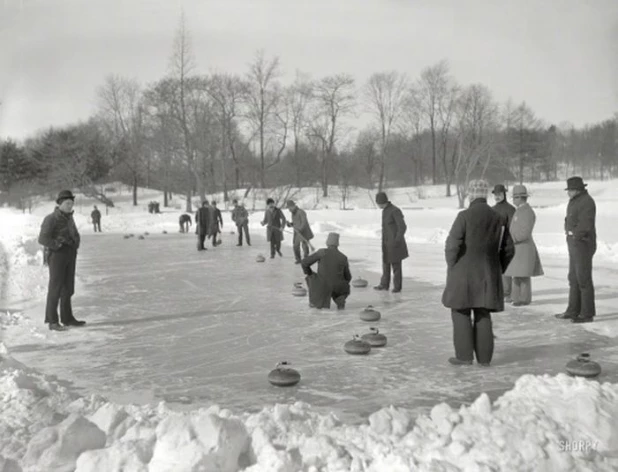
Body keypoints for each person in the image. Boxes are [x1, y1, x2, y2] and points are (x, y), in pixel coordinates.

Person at [442, 179, 514, 366]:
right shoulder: (498, 217)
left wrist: (452, 265)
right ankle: (484, 359)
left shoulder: (464, 216)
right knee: (483, 313)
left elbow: (452, 245)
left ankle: (464, 357)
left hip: (463, 274)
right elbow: (509, 249)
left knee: (461, 312)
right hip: (488, 274)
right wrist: (498, 268)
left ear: (471, 195)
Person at [37, 190, 86, 331]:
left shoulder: (69, 218)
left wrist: (76, 243)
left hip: (70, 255)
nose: (70, 206)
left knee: (68, 288)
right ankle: (52, 321)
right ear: (59, 203)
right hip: (57, 256)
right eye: (67, 203)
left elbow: (74, 233)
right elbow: (42, 238)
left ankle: (67, 318)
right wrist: (58, 245)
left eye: (71, 203)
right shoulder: (51, 218)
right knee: (56, 288)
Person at [555, 176, 597, 323]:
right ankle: (573, 310)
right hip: (574, 244)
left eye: (571, 190)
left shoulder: (587, 202)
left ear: (579, 189)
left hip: (583, 244)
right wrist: (569, 233)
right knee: (573, 278)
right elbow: (569, 220)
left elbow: (586, 224)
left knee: (583, 278)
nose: (569, 193)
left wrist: (575, 235)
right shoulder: (574, 201)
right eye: (568, 190)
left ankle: (587, 313)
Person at [503, 185, 544, 306]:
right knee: (517, 274)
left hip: (523, 248)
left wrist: (512, 239)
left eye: (514, 198)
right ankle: (516, 297)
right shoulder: (520, 210)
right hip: (517, 249)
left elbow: (525, 232)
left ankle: (524, 298)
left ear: (520, 198)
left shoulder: (527, 212)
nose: (513, 200)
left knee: (523, 275)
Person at [301, 232, 352, 309]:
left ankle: (316, 301)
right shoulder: (343, 257)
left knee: (312, 278)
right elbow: (348, 277)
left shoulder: (322, 252)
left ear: (327, 242)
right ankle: (339, 298)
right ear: (337, 243)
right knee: (341, 284)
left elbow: (304, 263)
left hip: (323, 286)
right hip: (338, 287)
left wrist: (309, 273)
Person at [373, 192, 408, 293]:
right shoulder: (385, 211)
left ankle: (397, 287)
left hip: (395, 244)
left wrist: (396, 240)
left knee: (396, 266)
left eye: (378, 203)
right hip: (386, 243)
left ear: (382, 202)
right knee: (385, 263)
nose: (378, 205)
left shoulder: (395, 211)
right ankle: (384, 284)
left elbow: (402, 227)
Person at [491, 184, 516, 302]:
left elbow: (513, 227)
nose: (497, 197)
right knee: (497, 268)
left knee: (506, 268)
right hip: (495, 243)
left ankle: (507, 293)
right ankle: (498, 291)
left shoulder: (510, 209)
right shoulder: (492, 209)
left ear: (504, 194)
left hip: (507, 244)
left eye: (499, 194)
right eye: (495, 195)